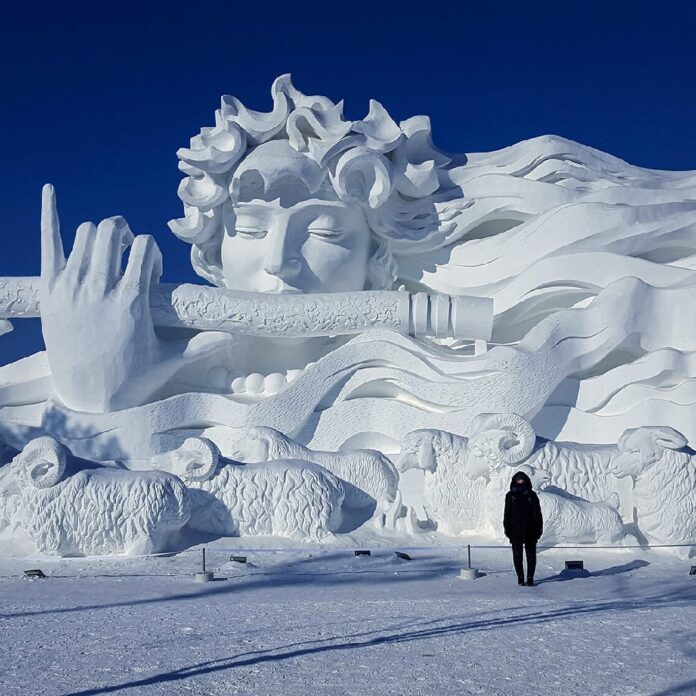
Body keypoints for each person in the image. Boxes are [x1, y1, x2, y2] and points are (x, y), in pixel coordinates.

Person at [503, 470, 543, 587]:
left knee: (531, 556)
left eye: (522, 480)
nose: (520, 482)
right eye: (518, 480)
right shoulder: (510, 496)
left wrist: (539, 529)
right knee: (517, 555)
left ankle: (530, 578)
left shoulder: (532, 495)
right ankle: (520, 577)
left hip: (530, 530)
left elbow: (538, 513)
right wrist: (507, 529)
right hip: (515, 530)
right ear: (514, 481)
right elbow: (507, 514)